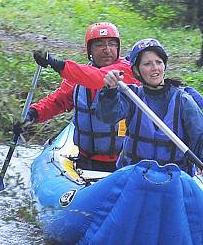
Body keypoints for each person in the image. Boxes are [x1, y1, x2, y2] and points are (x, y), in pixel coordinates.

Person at [15, 22, 138, 171]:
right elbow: (57, 101)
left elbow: (97, 78)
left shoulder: (127, 71)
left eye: (112, 44)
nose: (107, 50)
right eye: (100, 45)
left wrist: (55, 63)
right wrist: (31, 114)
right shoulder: (78, 78)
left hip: (123, 162)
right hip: (85, 160)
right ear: (90, 50)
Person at [94, 38, 203, 179]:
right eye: (147, 64)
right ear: (137, 70)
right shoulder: (131, 96)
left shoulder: (184, 101)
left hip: (173, 181)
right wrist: (110, 92)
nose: (155, 68)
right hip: (134, 178)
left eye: (158, 62)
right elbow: (107, 117)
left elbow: (202, 137)